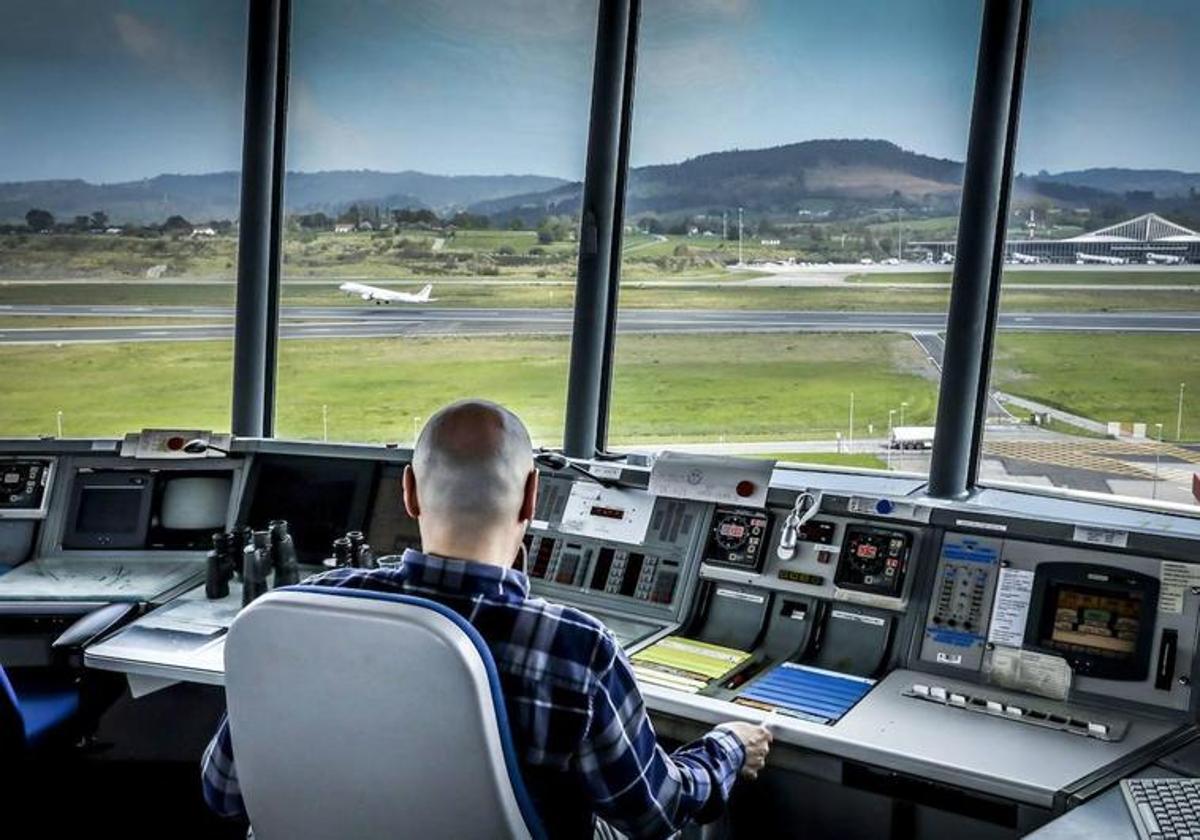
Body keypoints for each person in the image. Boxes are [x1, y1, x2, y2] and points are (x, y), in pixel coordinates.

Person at [201, 399, 771, 839]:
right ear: (531, 498)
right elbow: (654, 813)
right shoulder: (576, 649)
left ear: (409, 493)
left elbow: (223, 789)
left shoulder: (299, 616)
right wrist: (725, 748)